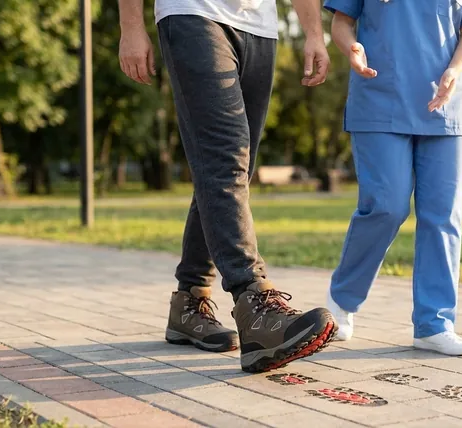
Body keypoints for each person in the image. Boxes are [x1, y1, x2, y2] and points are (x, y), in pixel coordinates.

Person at [116, 0, 338, 372]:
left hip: (260, 26)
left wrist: (314, 33)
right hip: (193, 13)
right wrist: (131, 26)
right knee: (225, 162)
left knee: (231, 169)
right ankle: (255, 305)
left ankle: (189, 301)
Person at [323, 0, 462, 355]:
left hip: (445, 103)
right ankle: (341, 300)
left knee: (443, 215)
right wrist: (352, 49)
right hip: (380, 98)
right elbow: (342, 24)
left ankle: (434, 324)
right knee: (386, 206)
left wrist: (454, 69)